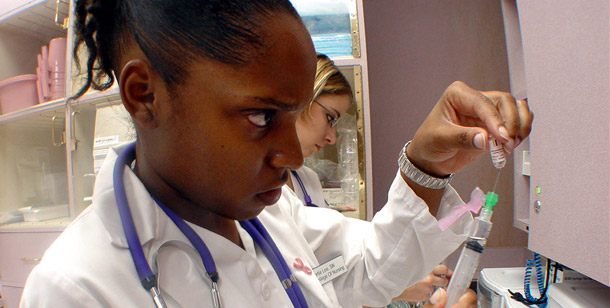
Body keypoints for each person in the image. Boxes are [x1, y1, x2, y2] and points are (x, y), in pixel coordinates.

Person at [20, 1, 532, 308]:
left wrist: (425, 163)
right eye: (261, 116)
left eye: (293, 115)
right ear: (144, 94)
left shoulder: (269, 213)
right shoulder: (75, 290)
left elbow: (370, 272)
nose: (291, 153)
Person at [288, 53, 455, 307]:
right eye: (330, 118)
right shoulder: (256, 197)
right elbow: (297, 280)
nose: (332, 137)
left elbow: (330, 265)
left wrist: (393, 278)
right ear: (299, 100)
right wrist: (397, 286)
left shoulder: (305, 180)